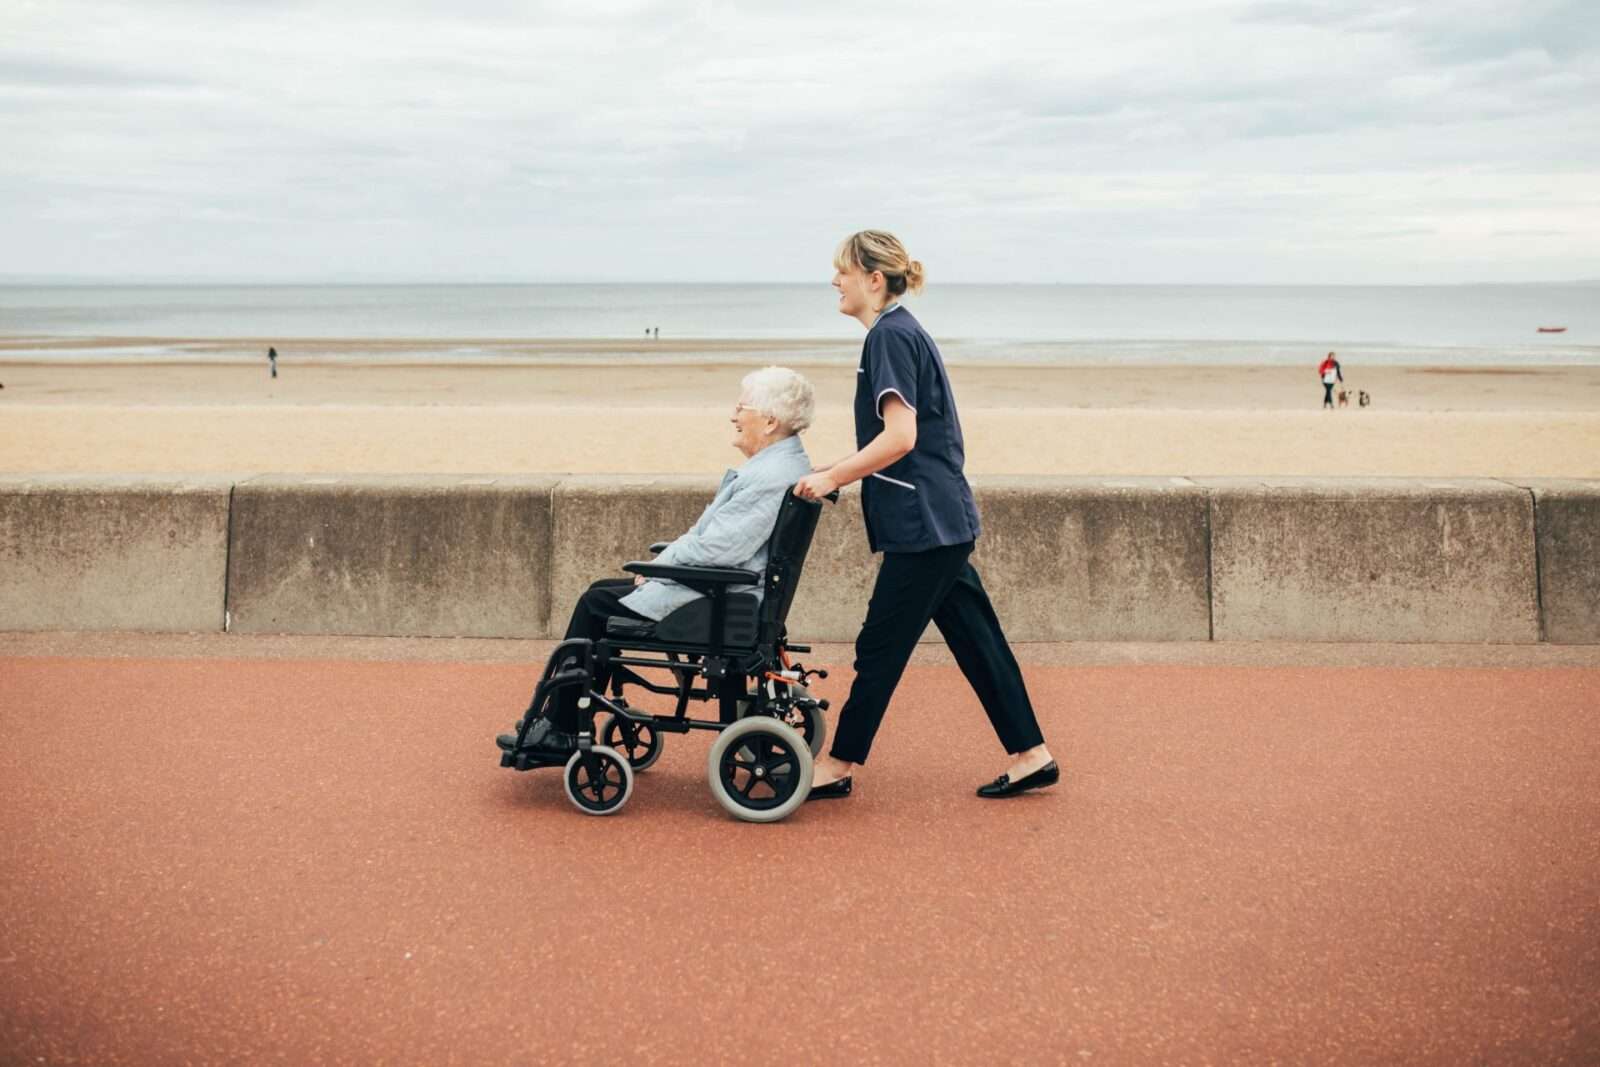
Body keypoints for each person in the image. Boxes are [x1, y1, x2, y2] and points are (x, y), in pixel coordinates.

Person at [794, 231, 1058, 800]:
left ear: (873, 279)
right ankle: (1031, 754)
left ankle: (838, 764)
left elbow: (901, 436)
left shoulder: (888, 338)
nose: (834, 282)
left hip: (924, 525)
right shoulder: (902, 331)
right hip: (942, 519)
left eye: (842, 272)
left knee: (879, 648)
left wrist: (831, 475)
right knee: (977, 641)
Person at [508, 366, 815, 761]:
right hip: (728, 591)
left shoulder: (768, 476)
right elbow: (721, 543)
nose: (733, 415)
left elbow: (720, 549)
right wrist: (663, 565)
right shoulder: (784, 464)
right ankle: (562, 718)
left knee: (594, 606)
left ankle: (562, 727)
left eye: (742, 407)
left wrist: (660, 566)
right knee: (602, 592)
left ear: (770, 421)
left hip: (724, 601)